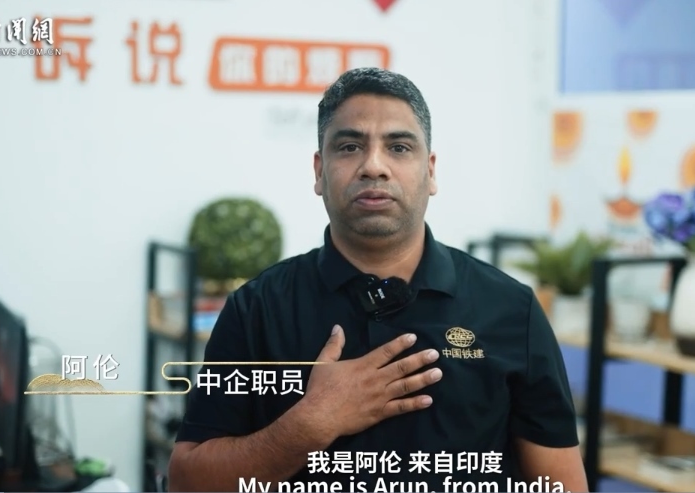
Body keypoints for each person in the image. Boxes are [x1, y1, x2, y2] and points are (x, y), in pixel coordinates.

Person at [167, 67, 587, 493]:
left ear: (430, 171)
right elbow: (186, 482)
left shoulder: (511, 309)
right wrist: (311, 423)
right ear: (319, 171)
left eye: (399, 147)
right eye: (349, 146)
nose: (373, 166)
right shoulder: (256, 309)